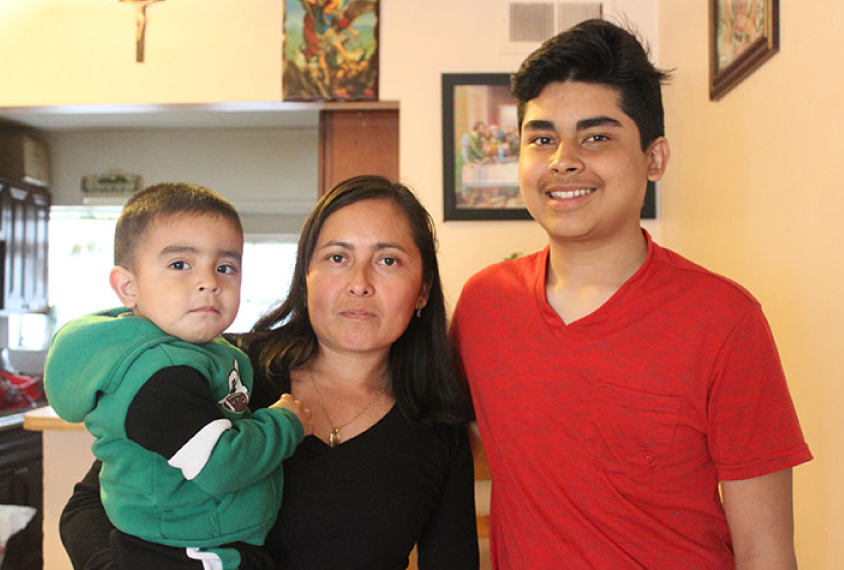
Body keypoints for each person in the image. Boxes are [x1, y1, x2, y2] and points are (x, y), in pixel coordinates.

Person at [450, 19, 812, 570]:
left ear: (655, 158)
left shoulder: (725, 321)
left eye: (596, 137)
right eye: (541, 138)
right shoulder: (483, 306)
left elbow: (766, 552)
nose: (563, 159)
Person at [58, 175, 480, 570]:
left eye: (388, 260)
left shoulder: (438, 429)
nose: (359, 283)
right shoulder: (226, 366)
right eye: (337, 257)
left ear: (423, 288)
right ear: (306, 277)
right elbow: (87, 507)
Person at [44, 183, 313, 570]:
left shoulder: (201, 354)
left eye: (225, 267)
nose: (209, 282)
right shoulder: (159, 376)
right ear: (128, 287)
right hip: (186, 553)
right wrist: (286, 422)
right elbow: (223, 465)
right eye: (179, 265)